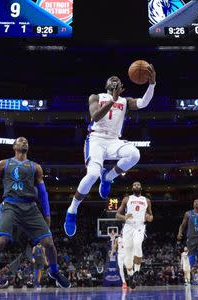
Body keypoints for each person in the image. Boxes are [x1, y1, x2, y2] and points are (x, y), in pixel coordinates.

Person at [0, 137, 70, 299]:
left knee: (49, 243)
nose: (23, 141)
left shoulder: (35, 167)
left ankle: (54, 273)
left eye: (26, 140)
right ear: (14, 146)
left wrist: (47, 214)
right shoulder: (3, 164)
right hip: (10, 206)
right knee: (0, 242)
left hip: (30, 208)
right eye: (19, 140)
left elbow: (42, 193)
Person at [64, 66, 157, 237]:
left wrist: (151, 84)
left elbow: (143, 103)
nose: (114, 80)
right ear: (107, 85)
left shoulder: (125, 101)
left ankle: (107, 177)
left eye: (118, 79)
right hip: (96, 140)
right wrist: (112, 101)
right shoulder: (96, 97)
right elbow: (95, 117)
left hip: (114, 140)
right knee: (92, 175)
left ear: (122, 86)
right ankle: (72, 210)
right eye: (111, 79)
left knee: (135, 154)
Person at [116, 181, 153, 289]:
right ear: (132, 188)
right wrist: (124, 217)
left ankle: (136, 272)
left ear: (141, 188)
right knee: (128, 256)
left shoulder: (146, 200)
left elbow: (151, 216)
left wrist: (149, 218)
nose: (136, 186)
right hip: (128, 227)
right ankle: (131, 276)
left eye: (138, 185)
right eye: (134, 185)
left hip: (140, 226)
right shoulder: (127, 199)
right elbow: (117, 215)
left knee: (138, 243)